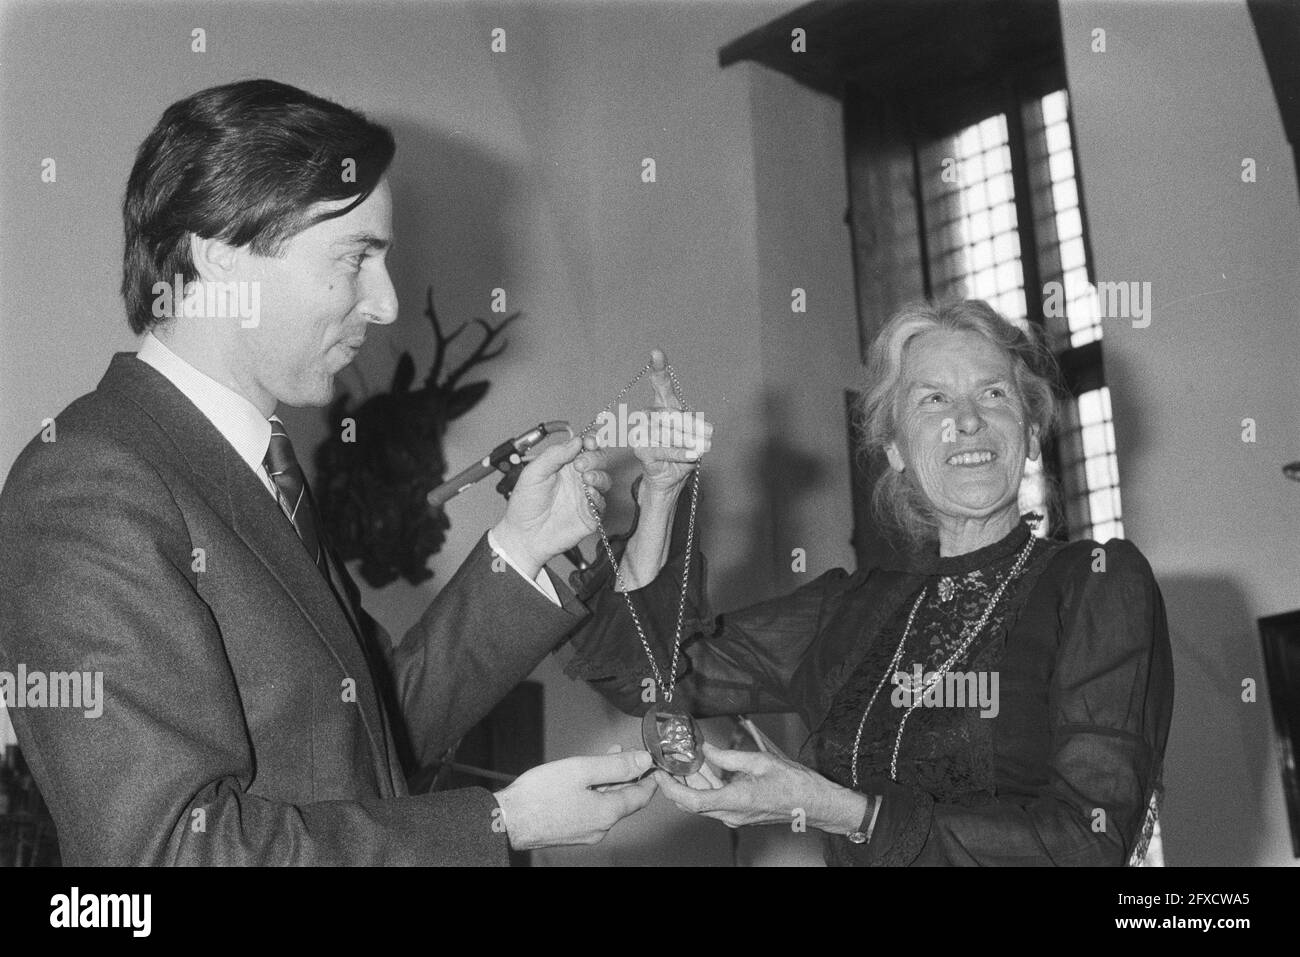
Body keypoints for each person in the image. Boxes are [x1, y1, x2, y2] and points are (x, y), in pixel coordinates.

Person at [0, 79, 693, 865]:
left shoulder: (252, 466)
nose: (388, 302)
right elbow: (168, 856)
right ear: (221, 256)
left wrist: (521, 546)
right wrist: (499, 822)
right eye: (356, 256)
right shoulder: (89, 482)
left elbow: (368, 736)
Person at [567, 299, 1175, 866]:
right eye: (932, 400)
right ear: (896, 451)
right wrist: (662, 500)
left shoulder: (1096, 586)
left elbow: (1089, 843)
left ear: (1031, 429)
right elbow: (640, 674)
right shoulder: (847, 610)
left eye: (993, 393)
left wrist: (843, 811)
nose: (967, 420)